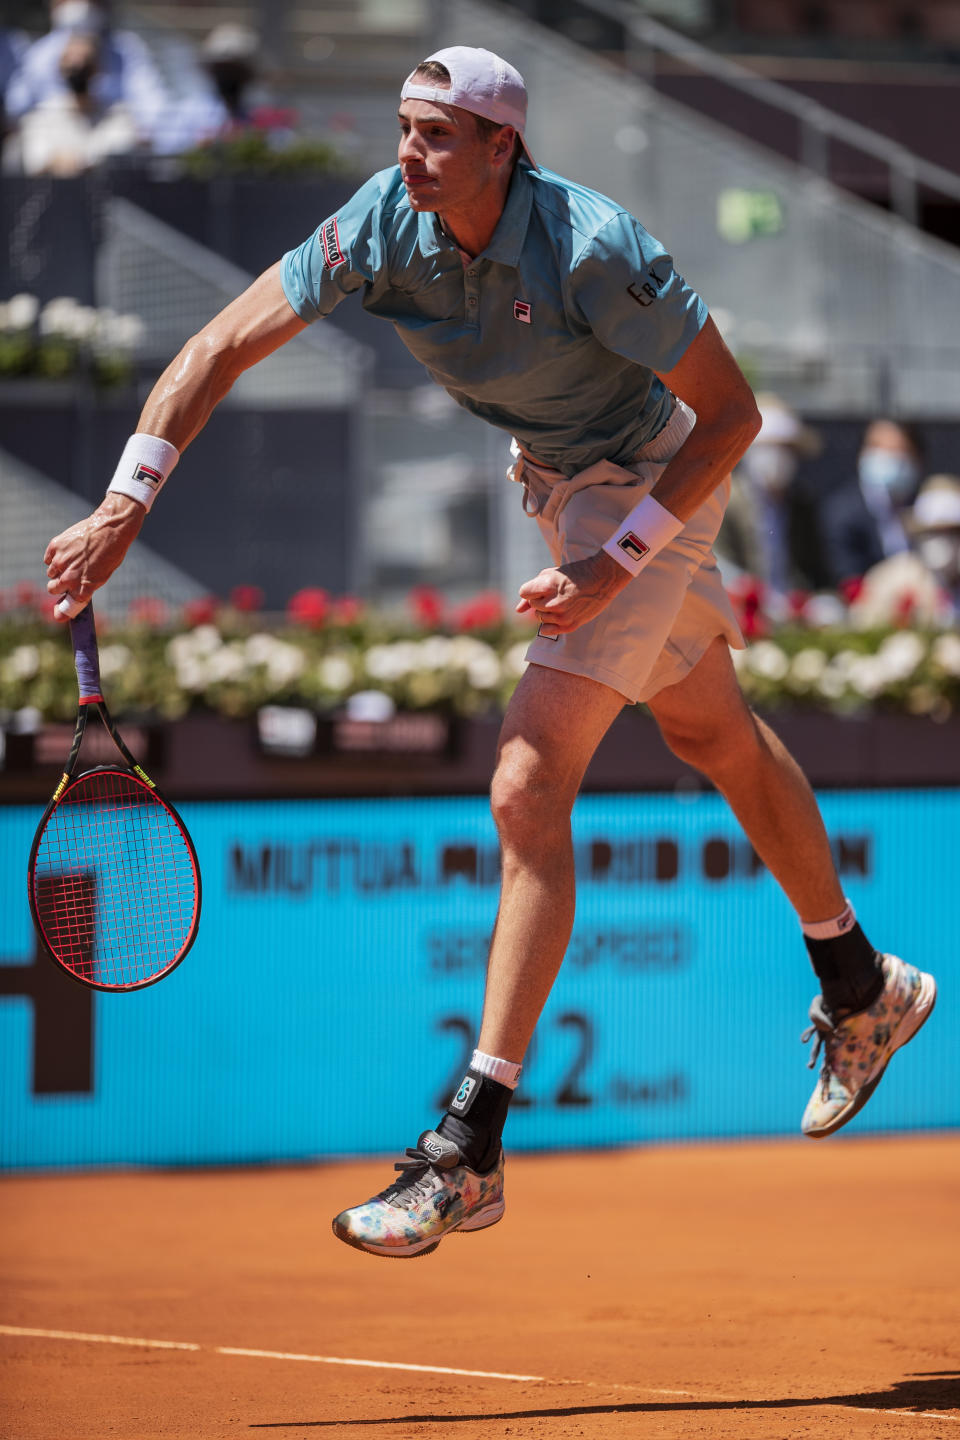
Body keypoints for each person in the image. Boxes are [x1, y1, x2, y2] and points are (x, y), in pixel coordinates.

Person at [42, 46, 937, 1259]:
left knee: (527, 779)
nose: (408, 151)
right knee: (708, 727)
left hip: (647, 489)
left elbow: (732, 419)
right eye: (405, 127)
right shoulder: (379, 221)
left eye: (437, 133)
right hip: (563, 489)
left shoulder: (595, 247)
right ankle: (860, 984)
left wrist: (614, 562)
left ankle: (468, 1147)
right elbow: (217, 348)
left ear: (502, 145)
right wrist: (122, 509)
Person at [8, 29, 138, 176]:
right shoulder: (41, 118)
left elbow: (119, 152)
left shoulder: (118, 116)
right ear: (59, 66)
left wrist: (79, 162)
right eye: (70, 60)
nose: (78, 66)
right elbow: (37, 161)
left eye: (85, 60)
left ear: (97, 67)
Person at [819, 417, 925, 597]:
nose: (887, 458)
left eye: (897, 450)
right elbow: (846, 576)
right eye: (877, 448)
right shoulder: (841, 512)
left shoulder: (924, 508)